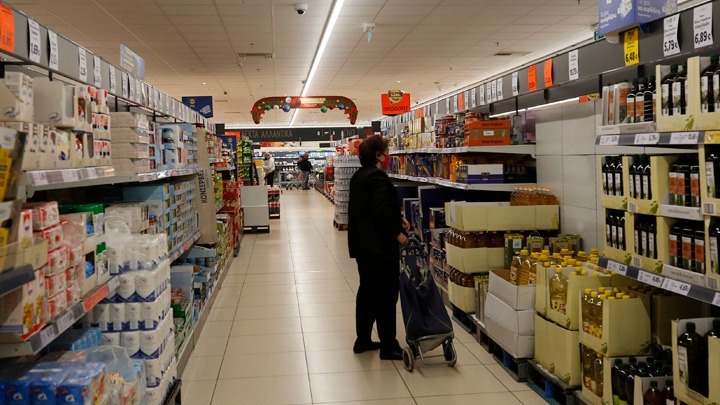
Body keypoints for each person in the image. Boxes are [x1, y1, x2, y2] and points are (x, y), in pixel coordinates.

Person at [348, 135, 410, 360]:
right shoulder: (377, 177)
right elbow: (381, 210)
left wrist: (398, 219)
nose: (389, 156)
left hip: (363, 247)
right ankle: (388, 345)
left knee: (367, 292)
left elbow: (368, 209)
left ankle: (363, 339)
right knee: (386, 295)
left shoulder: (359, 176)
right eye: (386, 152)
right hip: (379, 248)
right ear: (378, 155)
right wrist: (398, 234)